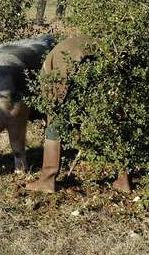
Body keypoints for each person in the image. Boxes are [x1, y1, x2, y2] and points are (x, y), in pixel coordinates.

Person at [25, 34, 132, 193]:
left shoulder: (47, 72)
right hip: (109, 60)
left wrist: (51, 118)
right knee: (113, 120)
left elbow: (53, 101)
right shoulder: (77, 44)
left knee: (55, 123)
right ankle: (124, 181)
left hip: (74, 65)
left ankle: (47, 180)